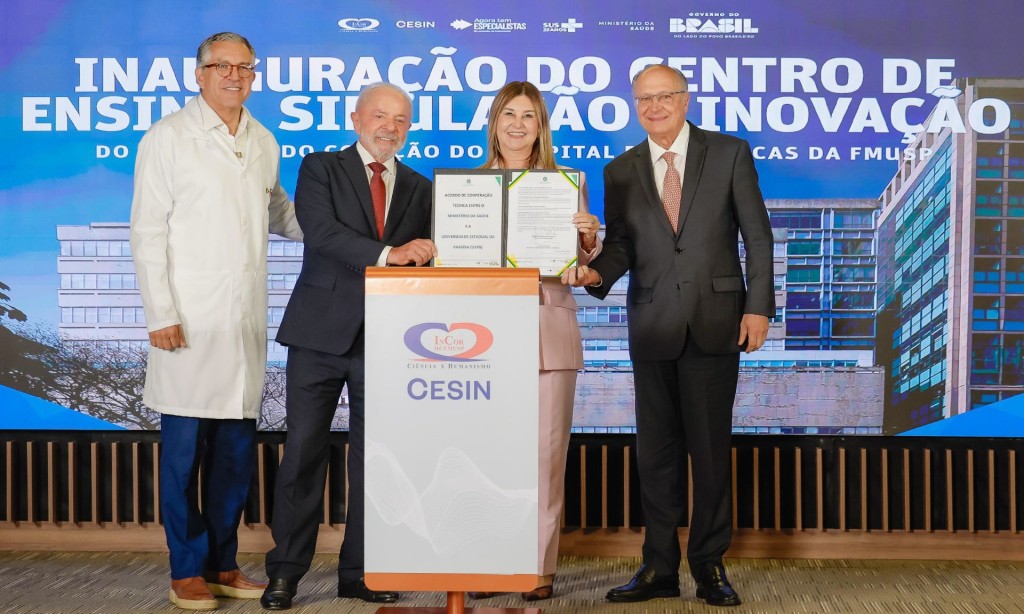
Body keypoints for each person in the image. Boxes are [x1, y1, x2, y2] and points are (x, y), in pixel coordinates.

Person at [564, 64, 774, 607]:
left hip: (716, 321)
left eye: (664, 96)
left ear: (685, 99)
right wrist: (593, 274)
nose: (654, 107)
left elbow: (758, 236)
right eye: (644, 99)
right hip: (653, 324)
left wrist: (758, 308)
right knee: (655, 457)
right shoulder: (620, 170)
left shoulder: (728, 152)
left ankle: (709, 566)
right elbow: (622, 246)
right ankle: (658, 567)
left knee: (710, 454)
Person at [129, 32, 303, 611]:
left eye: (244, 67)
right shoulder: (168, 137)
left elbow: (279, 211)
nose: (234, 75)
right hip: (186, 323)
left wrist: (339, 229)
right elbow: (147, 231)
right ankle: (186, 570)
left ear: (254, 75)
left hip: (242, 326)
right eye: (222, 66)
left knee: (233, 459)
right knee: (182, 460)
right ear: (199, 74)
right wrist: (161, 313)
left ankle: (223, 564)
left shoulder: (263, 139)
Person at [260, 82, 435, 610]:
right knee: (302, 455)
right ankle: (285, 572)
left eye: (400, 120)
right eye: (380, 116)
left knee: (375, 461)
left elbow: (433, 253)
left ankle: (360, 572)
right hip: (318, 333)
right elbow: (322, 233)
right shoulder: (320, 167)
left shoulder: (422, 187)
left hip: (387, 336)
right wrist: (392, 254)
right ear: (356, 119)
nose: (389, 127)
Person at [463, 81, 602, 603]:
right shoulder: (467, 187)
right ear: (494, 123)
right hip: (482, 336)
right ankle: (485, 564)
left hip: (548, 328)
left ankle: (537, 567)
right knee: (485, 456)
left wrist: (588, 237)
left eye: (529, 116)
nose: (518, 125)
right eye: (509, 114)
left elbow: (579, 267)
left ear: (541, 126)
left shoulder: (567, 183)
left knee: (545, 456)